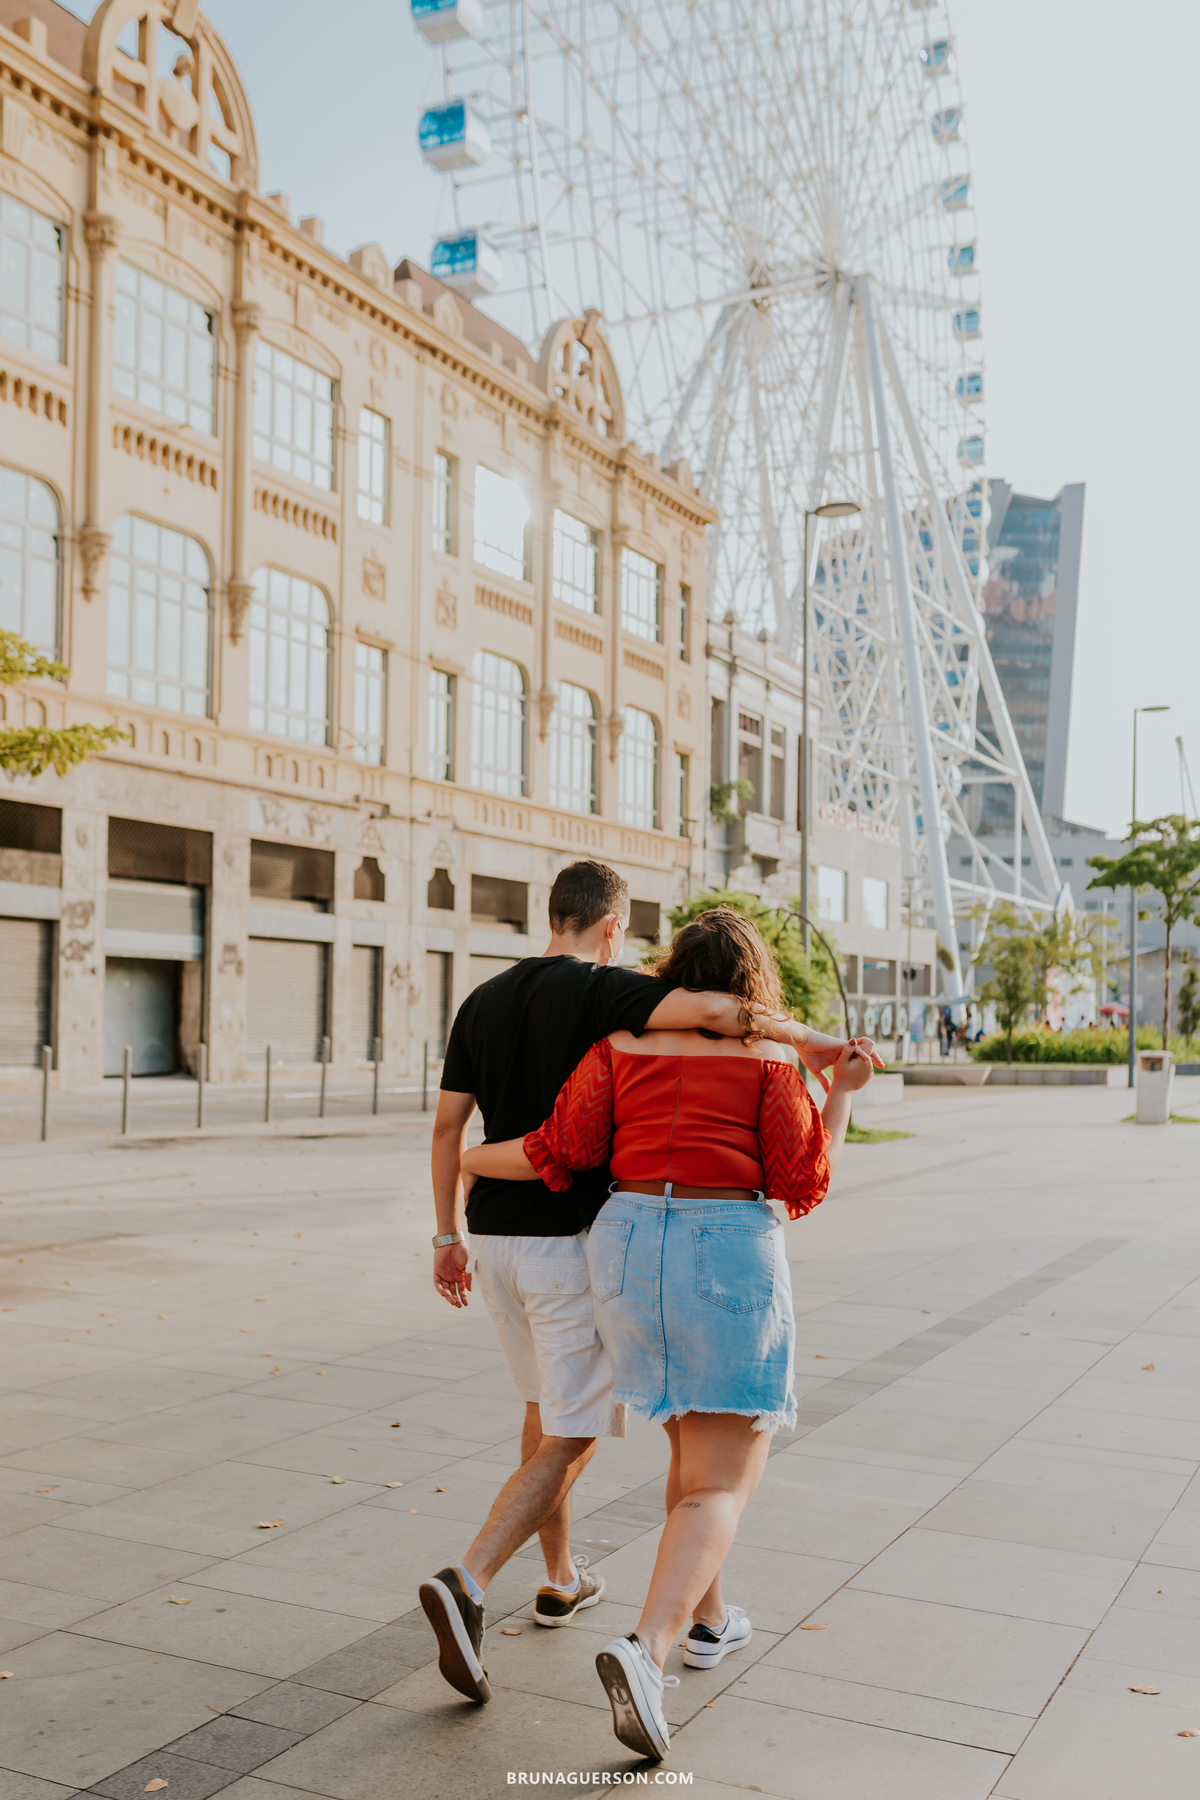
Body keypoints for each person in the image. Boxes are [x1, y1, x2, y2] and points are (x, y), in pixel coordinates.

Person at [419, 863, 879, 1706]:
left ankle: (706, 1619)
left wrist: (465, 1179)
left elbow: (560, 1147)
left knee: (678, 1440)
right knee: (717, 1477)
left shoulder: (617, 1044)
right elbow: (805, 1180)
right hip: (723, 1244)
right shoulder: (768, 1057)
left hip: (624, 1244)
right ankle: (647, 1644)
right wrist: (838, 1093)